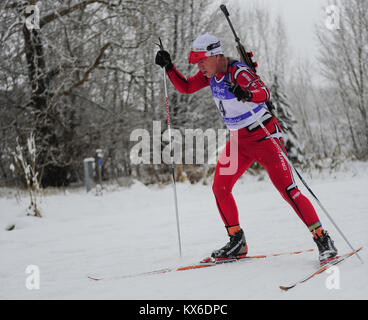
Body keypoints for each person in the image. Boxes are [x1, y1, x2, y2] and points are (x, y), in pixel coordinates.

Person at [155, 33, 337, 264]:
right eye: (197, 61)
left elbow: (264, 93)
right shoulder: (209, 74)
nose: (199, 66)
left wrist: (247, 93)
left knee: (288, 190)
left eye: (202, 60)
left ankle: (323, 239)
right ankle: (237, 242)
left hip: (264, 136)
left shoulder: (238, 72)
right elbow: (187, 88)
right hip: (239, 141)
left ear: (216, 55)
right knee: (220, 187)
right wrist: (169, 67)